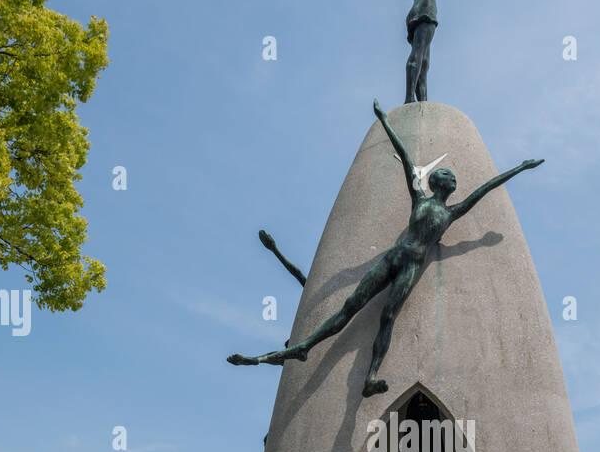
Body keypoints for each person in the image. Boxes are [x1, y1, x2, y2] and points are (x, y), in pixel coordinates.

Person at [228, 99, 543, 397]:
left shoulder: (451, 213)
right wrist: (383, 120)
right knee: (352, 303)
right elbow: (405, 158)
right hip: (396, 256)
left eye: (451, 175)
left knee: (388, 315)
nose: (450, 176)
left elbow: (486, 188)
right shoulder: (420, 199)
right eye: (446, 173)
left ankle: (370, 376)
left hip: (411, 264)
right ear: (436, 182)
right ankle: (305, 347)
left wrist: (520, 167)